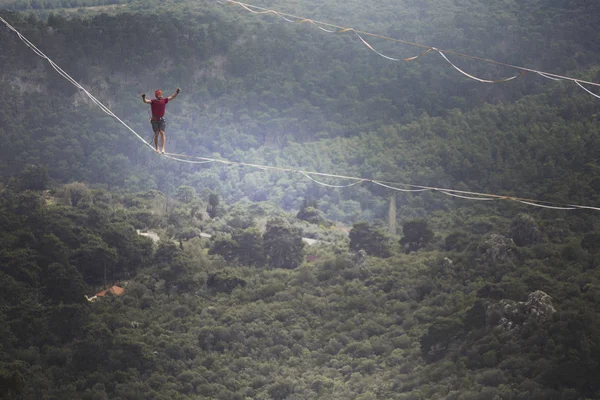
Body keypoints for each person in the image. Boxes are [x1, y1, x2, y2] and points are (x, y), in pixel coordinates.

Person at [142, 88, 180, 154]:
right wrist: (143, 97)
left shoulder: (164, 100)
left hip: (161, 120)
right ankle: (156, 149)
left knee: (162, 132)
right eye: (159, 95)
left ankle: (163, 149)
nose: (161, 96)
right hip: (154, 120)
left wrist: (177, 92)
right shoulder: (153, 101)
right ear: (156, 96)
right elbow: (145, 101)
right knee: (156, 133)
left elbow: (172, 97)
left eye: (161, 94)